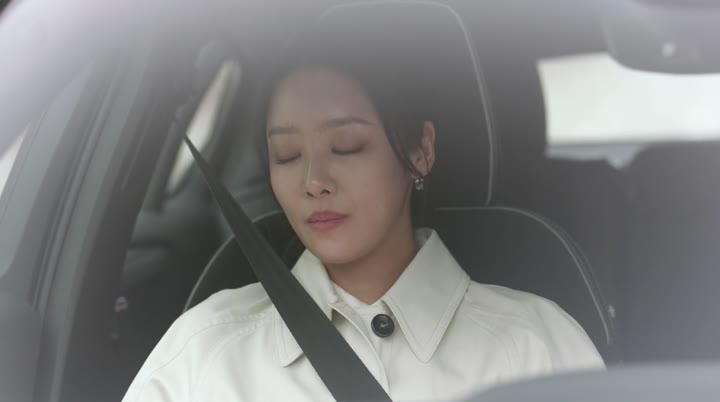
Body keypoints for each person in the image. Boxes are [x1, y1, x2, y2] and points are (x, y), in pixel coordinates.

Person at [122, 40, 604, 402]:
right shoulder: (203, 351)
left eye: (347, 147)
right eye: (287, 155)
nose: (314, 181)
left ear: (421, 151)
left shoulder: (537, 349)